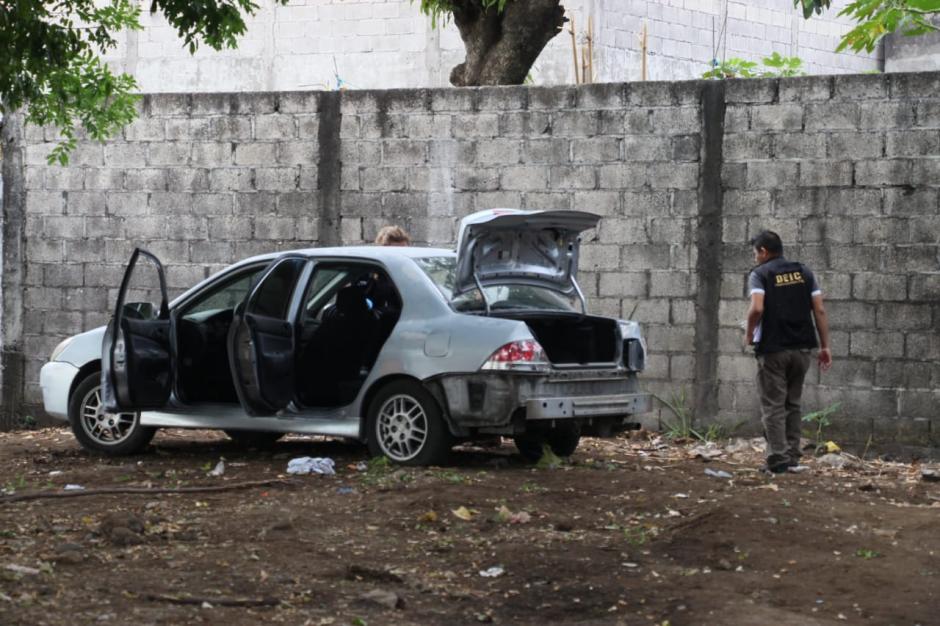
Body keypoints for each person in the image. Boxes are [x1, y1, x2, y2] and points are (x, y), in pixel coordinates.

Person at [744, 230, 832, 474]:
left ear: (763, 251)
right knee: (792, 404)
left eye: (755, 253)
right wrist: (825, 346)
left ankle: (778, 459)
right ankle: (793, 456)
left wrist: (749, 333)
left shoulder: (760, 274)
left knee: (773, 406)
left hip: (773, 349)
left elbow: (757, 308)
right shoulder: (804, 272)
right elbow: (820, 310)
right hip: (803, 348)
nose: (755, 258)